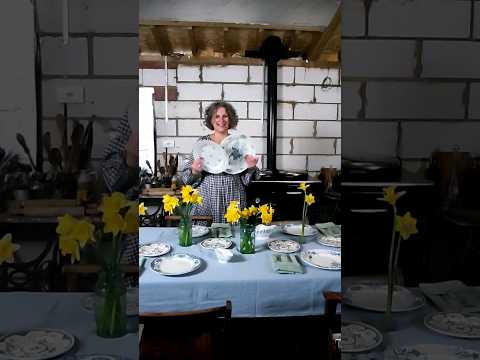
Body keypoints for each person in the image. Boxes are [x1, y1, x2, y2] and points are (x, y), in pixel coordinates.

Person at [179, 101, 259, 224]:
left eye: (225, 116)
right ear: (211, 120)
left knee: (233, 239)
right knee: (206, 238)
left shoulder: (240, 143)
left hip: (233, 199)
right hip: (207, 200)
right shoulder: (202, 143)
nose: (221, 120)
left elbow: (247, 181)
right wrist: (194, 170)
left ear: (230, 119)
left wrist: (251, 168)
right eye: (217, 116)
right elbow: (186, 180)